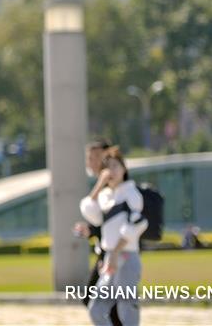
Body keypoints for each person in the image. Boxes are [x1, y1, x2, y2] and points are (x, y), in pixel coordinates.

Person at [80, 146, 147, 326]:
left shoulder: (131, 194)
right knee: (96, 309)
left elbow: (137, 224)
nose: (111, 171)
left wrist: (115, 253)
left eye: (115, 166)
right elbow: (89, 211)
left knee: (127, 311)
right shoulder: (106, 196)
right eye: (107, 167)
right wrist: (100, 184)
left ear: (124, 169)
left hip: (126, 256)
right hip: (112, 258)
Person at [72, 138, 122, 326]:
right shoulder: (108, 185)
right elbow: (106, 220)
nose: (89, 162)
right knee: (110, 304)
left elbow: (96, 210)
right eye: (88, 157)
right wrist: (91, 230)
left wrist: (101, 183)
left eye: (94, 157)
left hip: (115, 252)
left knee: (99, 301)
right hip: (110, 251)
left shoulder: (111, 184)